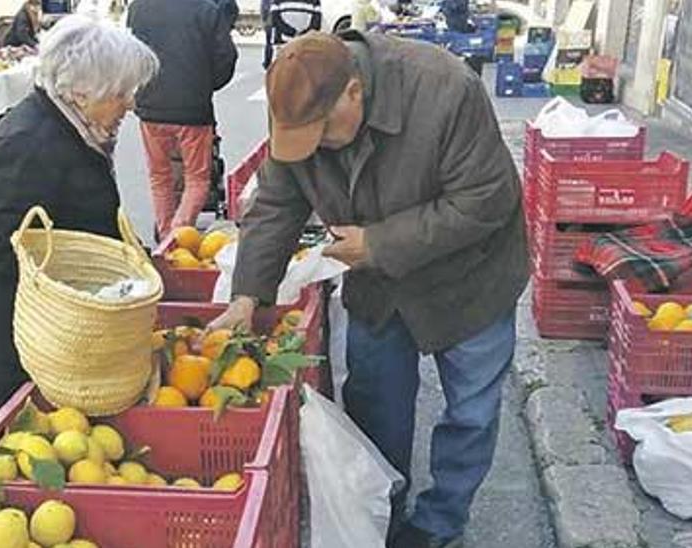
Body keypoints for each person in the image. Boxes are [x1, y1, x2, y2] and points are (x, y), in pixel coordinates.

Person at [211, 31, 528, 547]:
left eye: (322, 133)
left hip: (470, 277)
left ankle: (440, 521)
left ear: (354, 92)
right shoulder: (296, 111)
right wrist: (248, 295)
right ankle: (380, 509)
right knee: (376, 404)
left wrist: (378, 243)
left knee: (471, 412)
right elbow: (275, 205)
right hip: (380, 286)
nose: (313, 147)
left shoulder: (445, 89)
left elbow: (485, 201)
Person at [0, 16, 159, 445]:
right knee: (17, 457)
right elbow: (2, 251)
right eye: (120, 92)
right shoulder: (27, 144)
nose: (129, 104)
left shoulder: (72, 127)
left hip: (62, 343)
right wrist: (80, 290)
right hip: (21, 346)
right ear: (81, 90)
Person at [127, 0, 237, 241]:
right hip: (193, 110)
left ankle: (166, 233)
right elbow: (225, 58)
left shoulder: (139, 7)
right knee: (197, 178)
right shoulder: (207, 10)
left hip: (150, 106)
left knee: (160, 175)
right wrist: (204, 83)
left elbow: (132, 52)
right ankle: (177, 235)